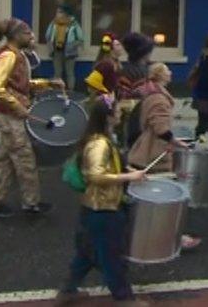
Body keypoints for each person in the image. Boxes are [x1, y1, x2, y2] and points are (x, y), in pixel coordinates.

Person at [55, 97, 149, 307]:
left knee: (86, 254)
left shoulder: (102, 139)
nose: (119, 115)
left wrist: (130, 171)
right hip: (104, 209)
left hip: (93, 209)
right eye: (116, 112)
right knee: (112, 256)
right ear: (108, 117)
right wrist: (129, 178)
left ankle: (67, 292)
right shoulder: (99, 144)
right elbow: (95, 176)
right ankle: (123, 298)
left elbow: (111, 166)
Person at [0, 18, 63, 218]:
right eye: (27, 33)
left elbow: (20, 83)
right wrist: (18, 107)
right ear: (15, 35)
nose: (31, 36)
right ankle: (31, 203)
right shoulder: (8, 55)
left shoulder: (17, 55)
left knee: (6, 160)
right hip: (8, 114)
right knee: (25, 157)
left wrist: (48, 83)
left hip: (8, 113)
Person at [127, 63, 200, 250]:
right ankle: (165, 237)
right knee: (161, 195)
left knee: (145, 194)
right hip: (154, 153)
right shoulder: (160, 99)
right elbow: (161, 128)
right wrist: (177, 142)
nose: (171, 72)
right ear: (160, 75)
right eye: (167, 70)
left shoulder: (152, 94)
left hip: (146, 150)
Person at [45, 4, 84, 91]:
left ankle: (70, 91)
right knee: (57, 72)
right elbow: (48, 35)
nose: (57, 14)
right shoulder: (54, 23)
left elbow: (80, 38)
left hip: (70, 52)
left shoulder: (73, 24)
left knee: (70, 73)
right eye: (57, 12)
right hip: (57, 51)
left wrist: (73, 45)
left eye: (60, 12)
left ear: (66, 14)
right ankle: (57, 91)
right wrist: (50, 43)